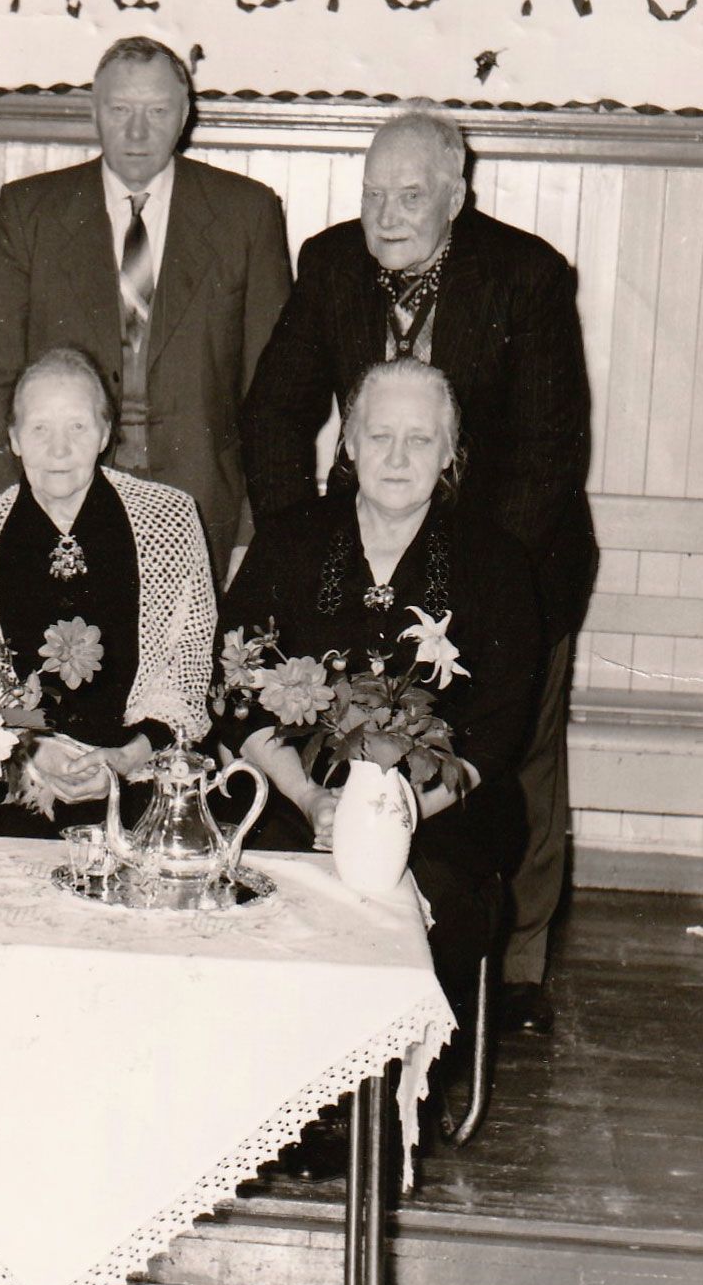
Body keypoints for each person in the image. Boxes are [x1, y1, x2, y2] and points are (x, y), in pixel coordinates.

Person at [240, 106, 595, 1035]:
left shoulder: (524, 276)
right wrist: (306, 538)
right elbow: (273, 412)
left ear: (455, 197)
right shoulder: (329, 265)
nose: (387, 215)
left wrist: (458, 570)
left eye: (410, 197)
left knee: (509, 761)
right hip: (359, 546)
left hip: (509, 556)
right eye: (372, 194)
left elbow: (550, 456)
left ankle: (506, 980)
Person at [222, 357, 541, 1011]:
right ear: (350, 443)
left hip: (438, 819)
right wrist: (313, 801)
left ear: (451, 452)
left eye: (420, 439)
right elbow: (238, 696)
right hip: (294, 805)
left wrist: (392, 821)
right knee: (248, 903)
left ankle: (392, 1102)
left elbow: (497, 733)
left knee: (443, 906)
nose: (397, 457)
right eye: (379, 435)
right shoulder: (288, 542)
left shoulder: (499, 564)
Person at [0, 36, 290, 580]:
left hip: (205, 510)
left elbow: (272, 394)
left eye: (157, 111)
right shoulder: (30, 212)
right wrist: (7, 513)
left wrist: (254, 533)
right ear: (94, 110)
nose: (138, 132)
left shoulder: (246, 214)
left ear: (185, 115)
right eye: (120, 110)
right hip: (58, 499)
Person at [0, 348, 216, 818]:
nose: (58, 449)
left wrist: (127, 759)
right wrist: (32, 751)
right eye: (40, 428)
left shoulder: (171, 520)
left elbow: (189, 672)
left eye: (78, 427)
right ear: (14, 438)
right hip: (11, 786)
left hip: (146, 779)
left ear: (105, 433)